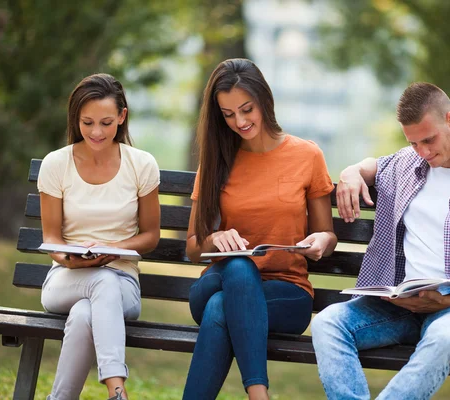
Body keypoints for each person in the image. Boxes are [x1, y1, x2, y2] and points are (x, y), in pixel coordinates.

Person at [311, 82, 450, 400]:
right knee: (328, 323)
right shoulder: (407, 164)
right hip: (402, 307)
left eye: (429, 140)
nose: (423, 152)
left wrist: (448, 300)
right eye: (413, 143)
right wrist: (350, 172)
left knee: (443, 336)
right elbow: (375, 166)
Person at [182, 58, 337, 400]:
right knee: (238, 267)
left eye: (246, 109)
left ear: (264, 100)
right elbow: (193, 247)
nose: (239, 121)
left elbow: (327, 233)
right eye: (227, 114)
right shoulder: (217, 159)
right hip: (216, 281)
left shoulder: (307, 156)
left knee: (222, 308)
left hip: (286, 292)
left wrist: (321, 241)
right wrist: (214, 238)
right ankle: (259, 396)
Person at [38, 73, 161, 400]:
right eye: (87, 122)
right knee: (97, 284)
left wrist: (114, 248)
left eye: (106, 122)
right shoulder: (55, 164)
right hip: (65, 279)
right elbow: (51, 237)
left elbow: (150, 236)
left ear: (121, 117)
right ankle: (117, 390)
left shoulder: (142, 165)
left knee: (86, 312)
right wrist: (70, 259)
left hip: (122, 282)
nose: (96, 132)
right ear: (75, 119)